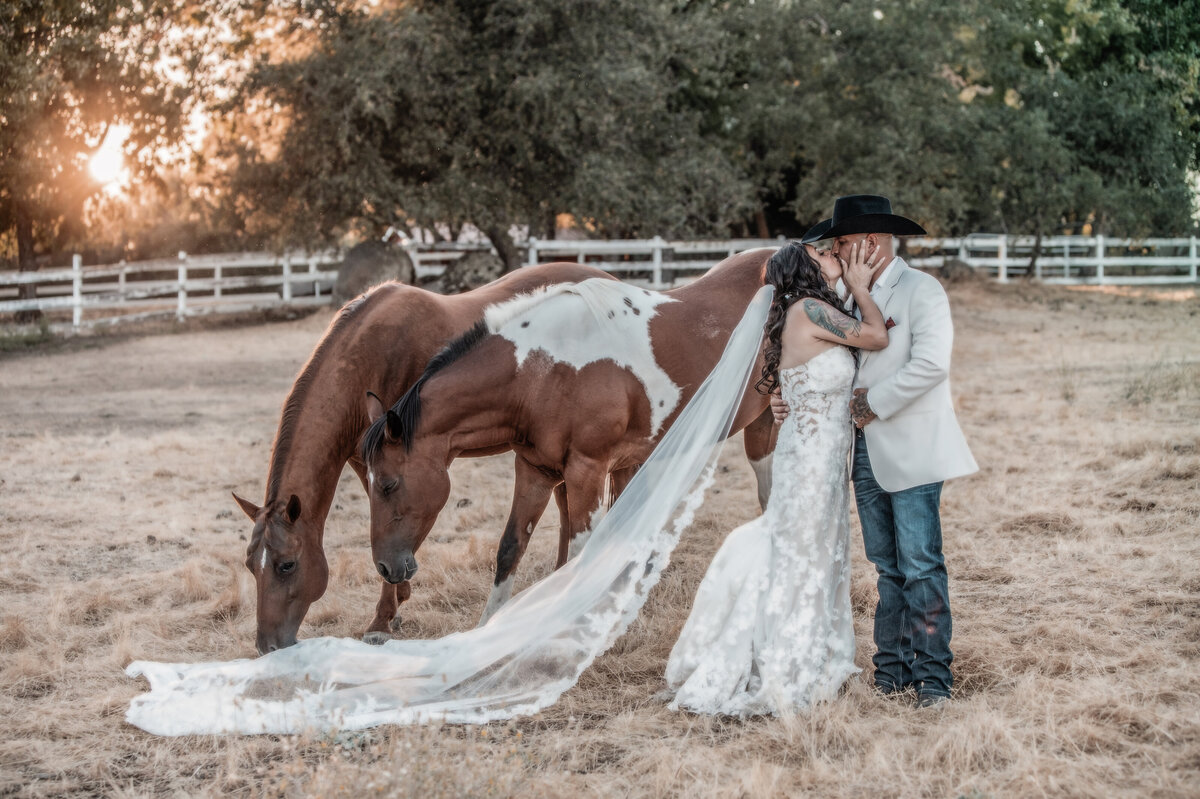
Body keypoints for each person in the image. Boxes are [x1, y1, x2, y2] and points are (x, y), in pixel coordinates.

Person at [663, 237, 890, 715]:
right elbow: (875, 337)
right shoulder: (809, 310)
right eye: (823, 254)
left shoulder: (811, 311)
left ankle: (817, 647)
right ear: (805, 271)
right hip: (809, 458)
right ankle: (784, 657)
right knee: (798, 549)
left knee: (816, 550)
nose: (833, 255)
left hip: (822, 455)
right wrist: (860, 285)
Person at [772, 194, 978, 709]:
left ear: (870, 242)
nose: (836, 252)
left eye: (840, 243)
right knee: (886, 566)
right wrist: (787, 398)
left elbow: (931, 365)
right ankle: (892, 671)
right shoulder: (845, 299)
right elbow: (822, 361)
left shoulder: (921, 291)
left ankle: (933, 679)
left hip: (910, 446)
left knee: (922, 564)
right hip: (861, 452)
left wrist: (871, 405)